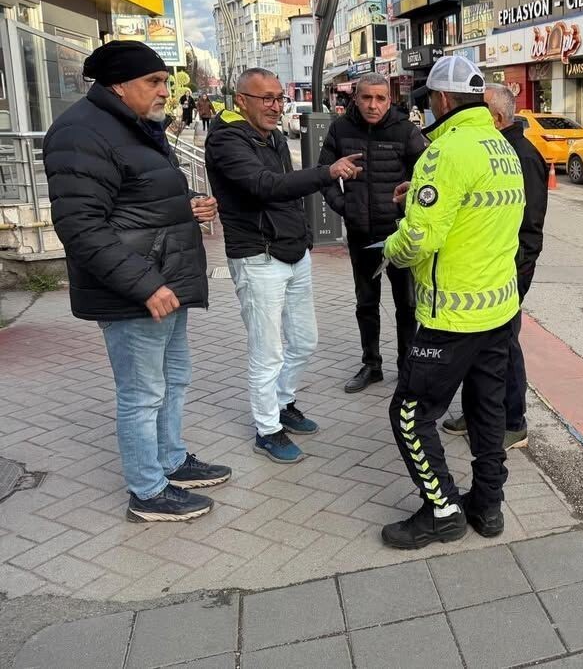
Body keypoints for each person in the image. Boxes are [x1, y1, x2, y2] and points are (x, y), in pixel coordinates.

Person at [43, 41, 231, 523]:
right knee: (142, 393)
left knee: (174, 379)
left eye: (165, 81)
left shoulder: (136, 124)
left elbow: (139, 197)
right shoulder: (81, 132)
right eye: (154, 82)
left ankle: (171, 460)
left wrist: (188, 203)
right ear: (119, 85)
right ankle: (147, 492)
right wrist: (145, 284)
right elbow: (81, 226)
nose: (165, 91)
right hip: (135, 292)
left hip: (166, 281)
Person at [380, 55, 525, 549]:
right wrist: (419, 196)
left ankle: (442, 511)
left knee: (409, 413)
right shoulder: (503, 147)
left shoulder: (443, 153)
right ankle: (488, 506)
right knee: (487, 412)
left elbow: (420, 238)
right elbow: (475, 215)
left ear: (441, 99)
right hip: (498, 310)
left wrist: (391, 251)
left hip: (452, 316)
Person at [204, 68, 365, 464]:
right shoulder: (225, 139)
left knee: (305, 340)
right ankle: (267, 430)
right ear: (241, 100)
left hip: (293, 252)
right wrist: (327, 172)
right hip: (257, 257)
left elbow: (287, 193)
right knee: (268, 352)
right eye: (267, 98)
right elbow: (265, 186)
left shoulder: (273, 137)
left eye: (279, 98)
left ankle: (282, 402)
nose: (276, 106)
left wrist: (305, 235)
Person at [442, 83, 547, 449]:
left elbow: (530, 227)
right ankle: (477, 414)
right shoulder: (491, 149)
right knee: (478, 347)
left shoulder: (522, 156)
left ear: (498, 118)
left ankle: (513, 422)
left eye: (480, 109)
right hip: (484, 268)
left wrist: (517, 274)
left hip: (508, 270)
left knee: (505, 347)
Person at [319, 73, 427, 393]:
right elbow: (324, 174)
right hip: (361, 236)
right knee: (366, 303)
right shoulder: (340, 129)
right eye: (366, 97)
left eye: (380, 98)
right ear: (356, 98)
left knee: (406, 305)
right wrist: (344, 206)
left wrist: (409, 207)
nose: (373, 105)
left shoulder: (405, 131)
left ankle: (406, 367)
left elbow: (427, 179)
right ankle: (371, 365)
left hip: (398, 237)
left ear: (389, 100)